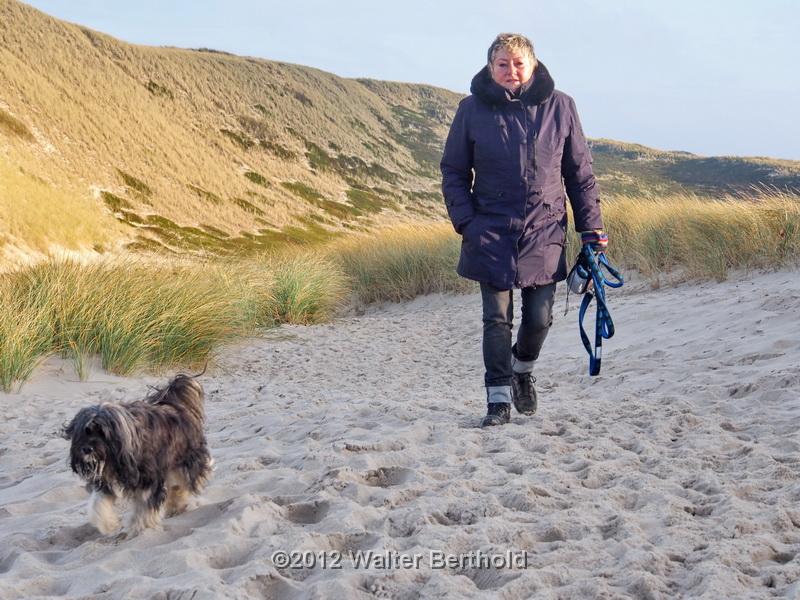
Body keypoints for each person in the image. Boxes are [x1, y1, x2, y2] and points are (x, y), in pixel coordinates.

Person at [440, 33, 608, 427]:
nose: (511, 71)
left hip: (544, 229)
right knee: (496, 319)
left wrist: (592, 230)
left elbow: (579, 174)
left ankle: (521, 369)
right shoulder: (471, 110)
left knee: (540, 317)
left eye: (518, 63)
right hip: (490, 231)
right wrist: (467, 222)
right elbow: (453, 171)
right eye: (503, 64)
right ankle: (497, 399)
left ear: (532, 64)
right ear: (490, 67)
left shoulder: (561, 107)